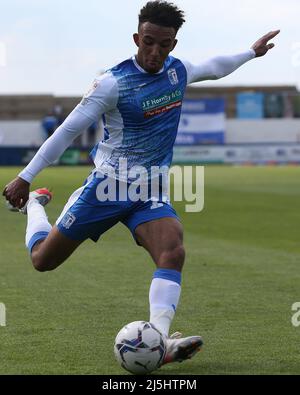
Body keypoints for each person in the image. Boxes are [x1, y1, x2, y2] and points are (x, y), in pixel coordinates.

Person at [3, 1, 279, 368]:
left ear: (173, 44)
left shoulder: (178, 72)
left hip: (148, 190)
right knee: (42, 261)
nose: (155, 52)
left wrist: (251, 52)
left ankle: (161, 341)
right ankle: (36, 206)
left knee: (173, 251)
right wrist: (26, 177)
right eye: (148, 42)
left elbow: (214, 68)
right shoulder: (112, 83)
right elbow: (68, 130)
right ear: (137, 37)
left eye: (163, 44)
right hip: (106, 189)